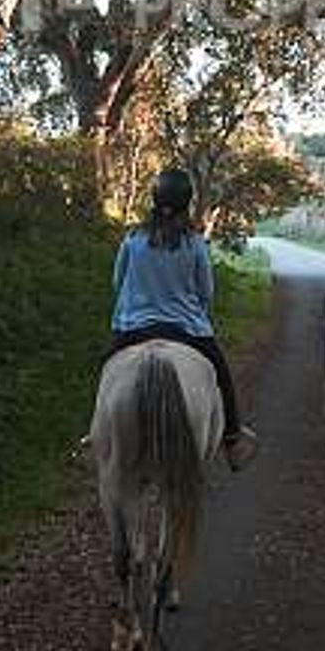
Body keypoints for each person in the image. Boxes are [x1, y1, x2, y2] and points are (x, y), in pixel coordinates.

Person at [108, 168, 259, 470]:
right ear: (187, 201)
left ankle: (96, 434)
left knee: (106, 370)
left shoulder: (133, 238)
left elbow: (117, 282)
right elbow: (206, 292)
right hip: (187, 330)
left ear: (154, 197)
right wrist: (191, 310)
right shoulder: (195, 243)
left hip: (133, 328)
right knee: (220, 372)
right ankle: (232, 439)